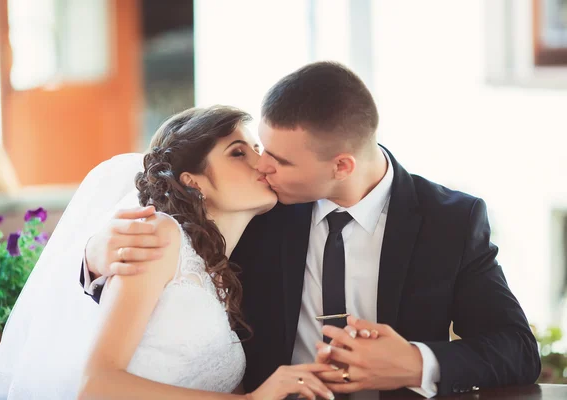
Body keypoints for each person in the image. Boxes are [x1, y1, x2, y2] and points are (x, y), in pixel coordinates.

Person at [82, 62, 541, 398]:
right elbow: (175, 252)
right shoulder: (260, 207)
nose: (263, 165)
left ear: (342, 165)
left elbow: (517, 348)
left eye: (279, 160)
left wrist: (415, 363)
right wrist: (93, 258)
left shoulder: (451, 222)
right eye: (261, 147)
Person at [0, 106, 337, 400]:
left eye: (257, 149)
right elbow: (96, 386)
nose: (261, 163)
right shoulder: (160, 235)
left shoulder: (220, 274)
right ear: (193, 182)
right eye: (238, 152)